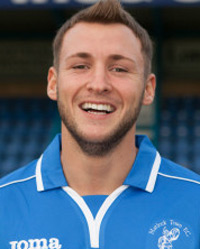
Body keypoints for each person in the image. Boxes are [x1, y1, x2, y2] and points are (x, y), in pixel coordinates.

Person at [0, 0, 200, 248]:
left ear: (148, 89)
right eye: (80, 66)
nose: (98, 84)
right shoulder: (5, 204)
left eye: (119, 69)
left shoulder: (195, 202)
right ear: (53, 83)